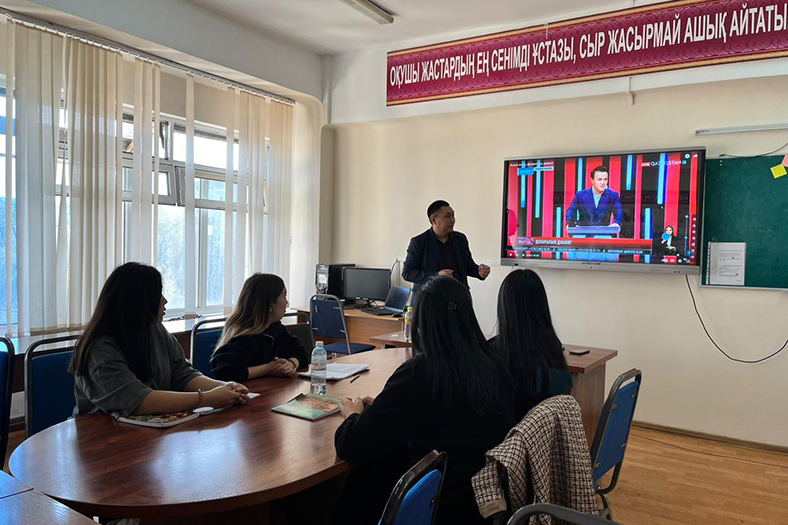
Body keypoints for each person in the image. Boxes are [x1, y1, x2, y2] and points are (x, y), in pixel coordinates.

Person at [333, 276, 515, 525]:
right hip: (481, 505)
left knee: (364, 478)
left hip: (432, 508)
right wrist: (387, 410)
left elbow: (350, 444)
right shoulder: (494, 364)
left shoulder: (421, 372)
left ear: (422, 321)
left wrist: (354, 414)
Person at [70, 263, 249, 418]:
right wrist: (208, 398)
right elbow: (137, 402)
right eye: (158, 295)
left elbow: (183, 375)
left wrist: (225, 387)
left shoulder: (153, 329)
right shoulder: (100, 349)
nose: (165, 301)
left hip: (145, 435)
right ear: (137, 301)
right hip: (101, 437)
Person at [490, 269, 571, 421]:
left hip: (513, 435)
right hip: (546, 434)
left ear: (504, 306)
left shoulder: (496, 352)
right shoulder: (553, 347)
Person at [210, 274, 308, 382]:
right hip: (247, 391)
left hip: (272, 389)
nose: (287, 302)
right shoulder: (244, 338)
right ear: (270, 304)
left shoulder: (275, 328)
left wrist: (291, 363)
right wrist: (267, 368)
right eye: (284, 296)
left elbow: (302, 352)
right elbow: (223, 372)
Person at [402, 200, 490, 295]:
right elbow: (407, 273)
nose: (452, 220)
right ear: (434, 220)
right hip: (430, 299)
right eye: (448, 216)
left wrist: (479, 272)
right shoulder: (419, 242)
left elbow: (468, 266)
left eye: (453, 215)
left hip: (459, 297)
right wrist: (436, 275)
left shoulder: (460, 239)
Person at [565, 165, 623, 229]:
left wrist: (616, 223)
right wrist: (570, 224)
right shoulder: (580, 195)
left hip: (603, 233)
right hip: (584, 233)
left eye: (605, 179)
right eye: (599, 179)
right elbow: (571, 211)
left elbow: (619, 213)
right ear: (592, 180)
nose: (602, 182)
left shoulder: (613, 196)